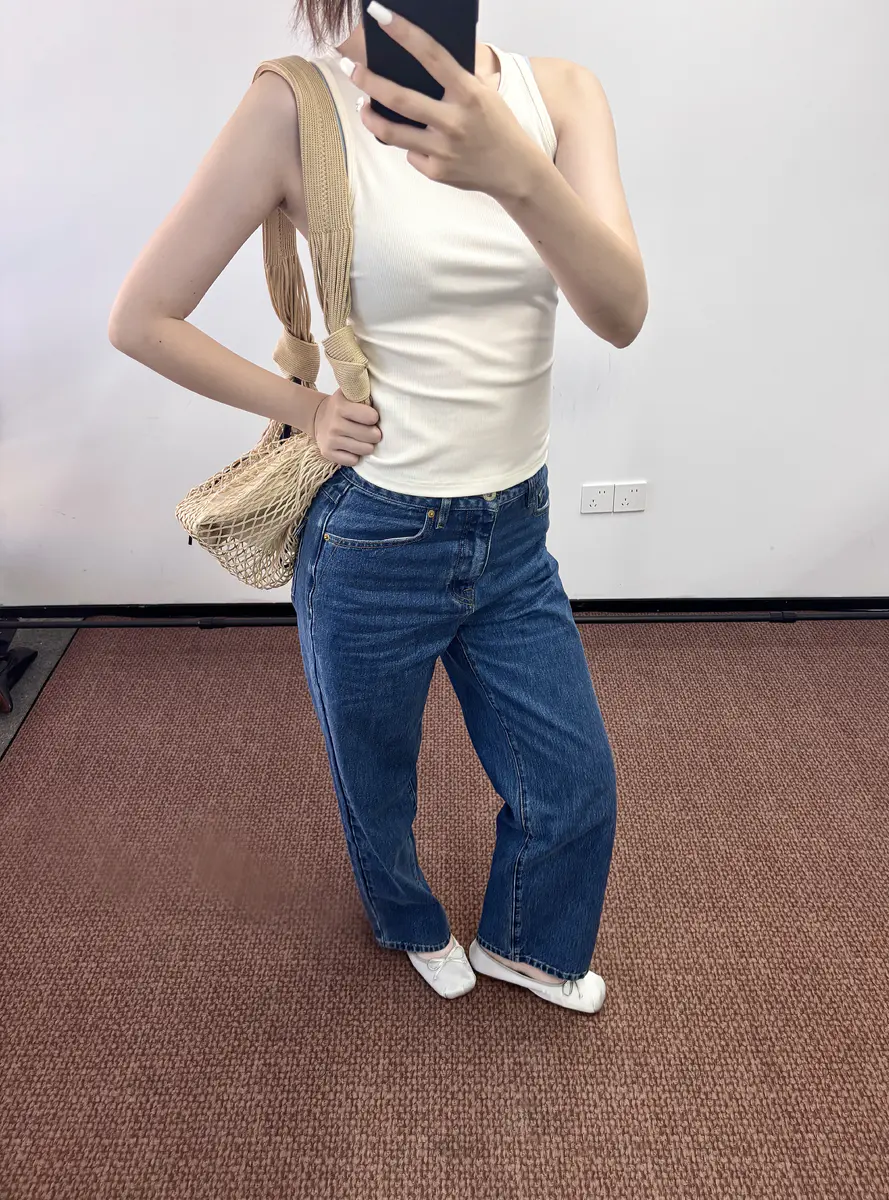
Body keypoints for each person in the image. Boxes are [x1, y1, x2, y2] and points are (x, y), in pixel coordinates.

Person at [109, 0, 647, 1014]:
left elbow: (620, 314)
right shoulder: (295, 107)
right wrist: (307, 409)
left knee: (575, 784)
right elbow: (140, 318)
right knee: (376, 784)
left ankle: (528, 944)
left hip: (514, 534)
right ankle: (407, 920)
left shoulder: (563, 97)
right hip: (375, 538)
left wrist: (517, 170)